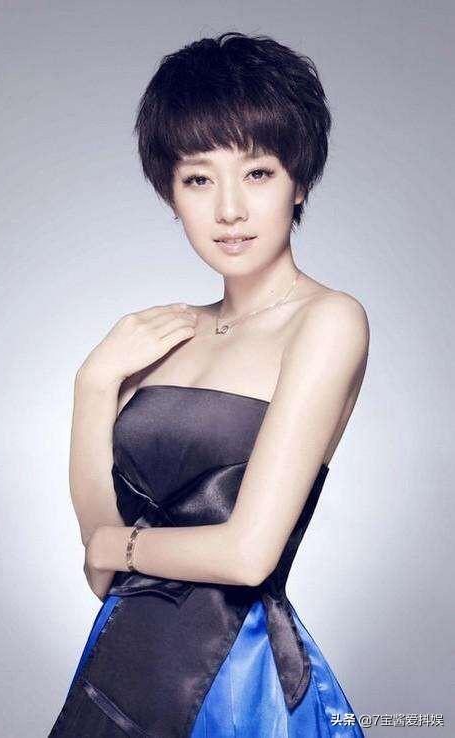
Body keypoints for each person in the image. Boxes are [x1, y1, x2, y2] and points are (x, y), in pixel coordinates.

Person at [48, 30, 369, 738]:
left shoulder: (328, 320)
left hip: (234, 683)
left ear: (299, 182)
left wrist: (116, 547)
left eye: (257, 173)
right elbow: (101, 577)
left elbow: (247, 555)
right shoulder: (159, 339)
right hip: (119, 672)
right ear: (171, 194)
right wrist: (93, 384)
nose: (229, 209)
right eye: (198, 179)